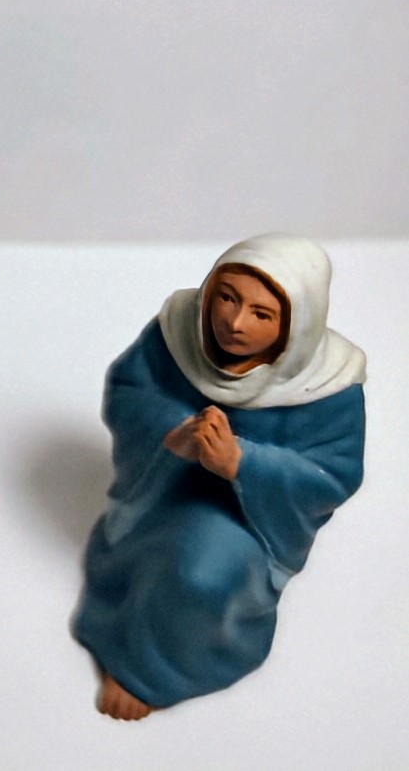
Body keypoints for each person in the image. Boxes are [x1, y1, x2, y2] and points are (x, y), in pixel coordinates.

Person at [72, 233, 366, 719]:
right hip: (163, 484)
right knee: (141, 551)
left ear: (296, 324)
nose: (235, 322)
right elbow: (129, 391)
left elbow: (334, 473)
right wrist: (174, 433)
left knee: (200, 574)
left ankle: (153, 669)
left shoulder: (325, 386)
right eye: (227, 298)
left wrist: (241, 462)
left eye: (262, 314)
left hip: (245, 516)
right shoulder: (176, 335)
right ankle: (122, 614)